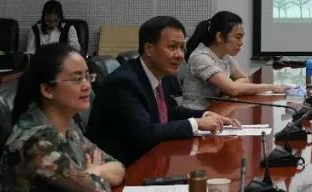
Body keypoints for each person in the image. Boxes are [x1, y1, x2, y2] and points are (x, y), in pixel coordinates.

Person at [0, 43, 125, 192]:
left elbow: (118, 168)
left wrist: (96, 171)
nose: (87, 86)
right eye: (76, 79)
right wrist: (91, 176)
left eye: (87, 77)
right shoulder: (36, 141)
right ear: (47, 90)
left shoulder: (68, 126)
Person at [87, 16, 238, 165]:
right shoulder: (125, 82)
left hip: (151, 160)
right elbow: (145, 134)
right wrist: (196, 123)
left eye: (182, 47)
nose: (180, 55)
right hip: (123, 167)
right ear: (149, 49)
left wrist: (206, 115)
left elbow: (170, 113)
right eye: (172, 47)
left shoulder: (160, 74)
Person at [180, 11, 283, 110]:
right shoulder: (201, 58)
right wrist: (271, 87)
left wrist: (230, 87)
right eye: (238, 37)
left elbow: (244, 79)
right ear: (219, 37)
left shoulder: (226, 57)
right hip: (197, 113)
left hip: (217, 109)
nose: (241, 43)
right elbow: (232, 90)